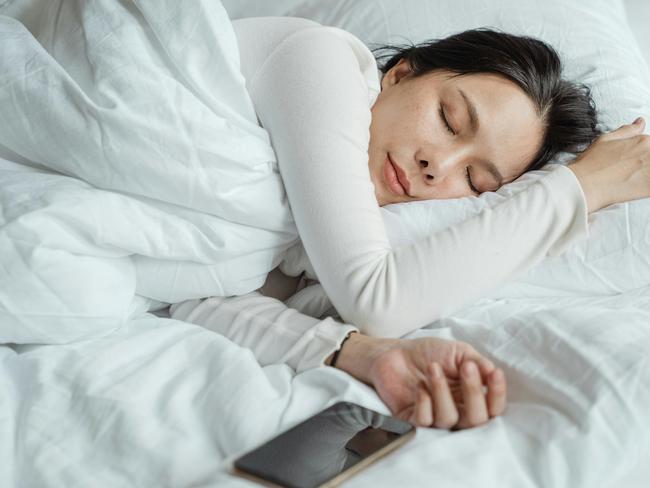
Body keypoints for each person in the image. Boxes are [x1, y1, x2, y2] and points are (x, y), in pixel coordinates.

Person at [171, 17, 650, 430]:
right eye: (448, 119)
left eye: (474, 179)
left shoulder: (296, 236)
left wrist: (365, 355)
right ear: (400, 74)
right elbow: (377, 300)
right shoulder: (318, 60)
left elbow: (191, 301)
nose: (436, 166)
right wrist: (580, 188)